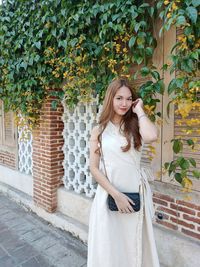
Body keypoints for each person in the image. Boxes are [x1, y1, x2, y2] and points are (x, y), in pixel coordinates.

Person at [87, 78, 160, 267]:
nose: (124, 103)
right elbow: (94, 168)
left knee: (133, 246)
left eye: (129, 99)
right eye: (119, 98)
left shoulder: (135, 125)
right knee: (110, 248)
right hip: (109, 196)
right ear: (110, 99)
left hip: (135, 194)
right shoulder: (99, 130)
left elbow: (152, 136)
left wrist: (140, 110)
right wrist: (116, 194)